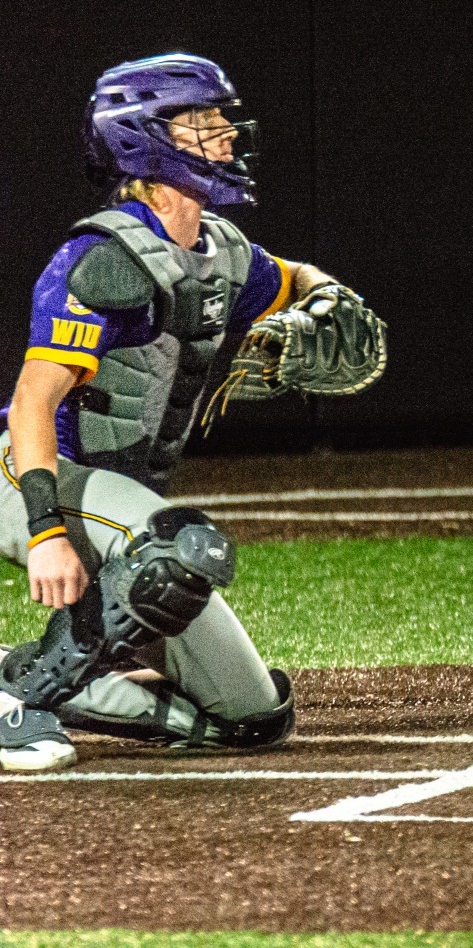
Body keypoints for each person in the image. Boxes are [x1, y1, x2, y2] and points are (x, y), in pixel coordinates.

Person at [0, 54, 374, 770]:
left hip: (119, 507)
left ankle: (34, 672)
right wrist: (46, 532)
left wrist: (327, 296)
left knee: (252, 718)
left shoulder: (219, 252)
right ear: (141, 136)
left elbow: (293, 276)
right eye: (203, 121)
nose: (226, 134)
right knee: (177, 547)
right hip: (28, 475)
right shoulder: (106, 257)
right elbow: (30, 404)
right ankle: (20, 696)